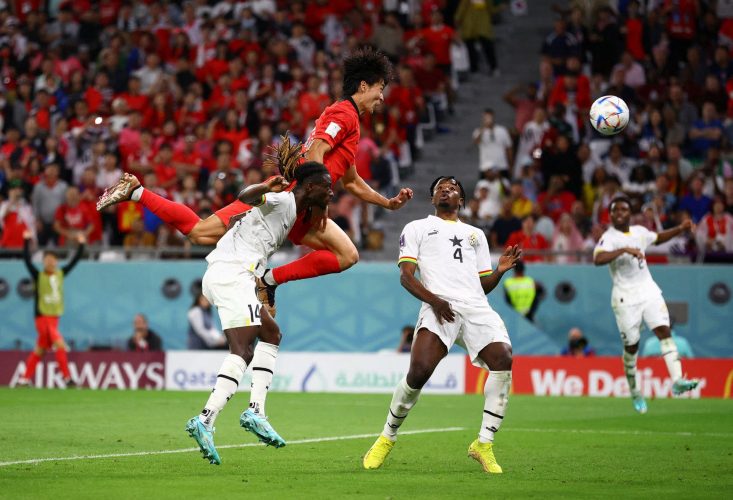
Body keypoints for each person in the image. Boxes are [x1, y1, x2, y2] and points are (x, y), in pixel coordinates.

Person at [96, 48, 413, 315]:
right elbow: (316, 150)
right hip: (290, 198)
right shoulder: (343, 113)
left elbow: (353, 182)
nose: (382, 97)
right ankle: (137, 191)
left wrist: (386, 202)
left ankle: (268, 280)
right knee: (200, 232)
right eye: (380, 88)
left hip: (304, 202)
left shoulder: (351, 123)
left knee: (347, 256)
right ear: (362, 86)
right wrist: (318, 196)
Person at [363, 176, 521, 474]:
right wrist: (435, 302)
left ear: (461, 198)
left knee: (504, 360)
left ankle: (484, 443)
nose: (447, 188)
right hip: (439, 305)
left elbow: (480, 286)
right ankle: (387, 436)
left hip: (475, 308)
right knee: (419, 372)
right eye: (440, 188)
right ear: (432, 199)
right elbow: (406, 276)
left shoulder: (476, 234)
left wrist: (499, 272)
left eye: (453, 186)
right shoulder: (417, 228)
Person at [186, 160, 334, 466]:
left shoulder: (295, 210)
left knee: (271, 333)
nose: (332, 190)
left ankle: (256, 410)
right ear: (310, 187)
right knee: (242, 350)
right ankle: (206, 418)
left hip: (235, 274)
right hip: (232, 272)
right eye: (327, 185)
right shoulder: (281, 199)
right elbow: (247, 196)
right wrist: (265, 187)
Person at [593, 196, 699, 414]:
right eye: (616, 210)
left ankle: (678, 379)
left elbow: (658, 238)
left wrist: (681, 227)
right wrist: (624, 250)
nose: (620, 213)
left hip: (648, 291)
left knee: (664, 331)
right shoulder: (609, 238)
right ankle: (634, 391)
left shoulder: (640, 232)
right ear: (611, 215)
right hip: (624, 299)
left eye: (624, 209)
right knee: (631, 347)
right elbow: (598, 259)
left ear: (629, 213)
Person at [16, 231, 85, 388]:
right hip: (42, 317)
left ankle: (23, 380)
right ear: (43, 262)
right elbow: (27, 261)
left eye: (52, 260)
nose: (49, 262)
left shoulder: (61, 274)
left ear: (56, 262)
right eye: (46, 260)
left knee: (40, 350)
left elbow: (74, 262)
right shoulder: (38, 275)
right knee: (60, 345)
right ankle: (67, 379)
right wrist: (26, 241)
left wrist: (81, 245)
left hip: (54, 318)